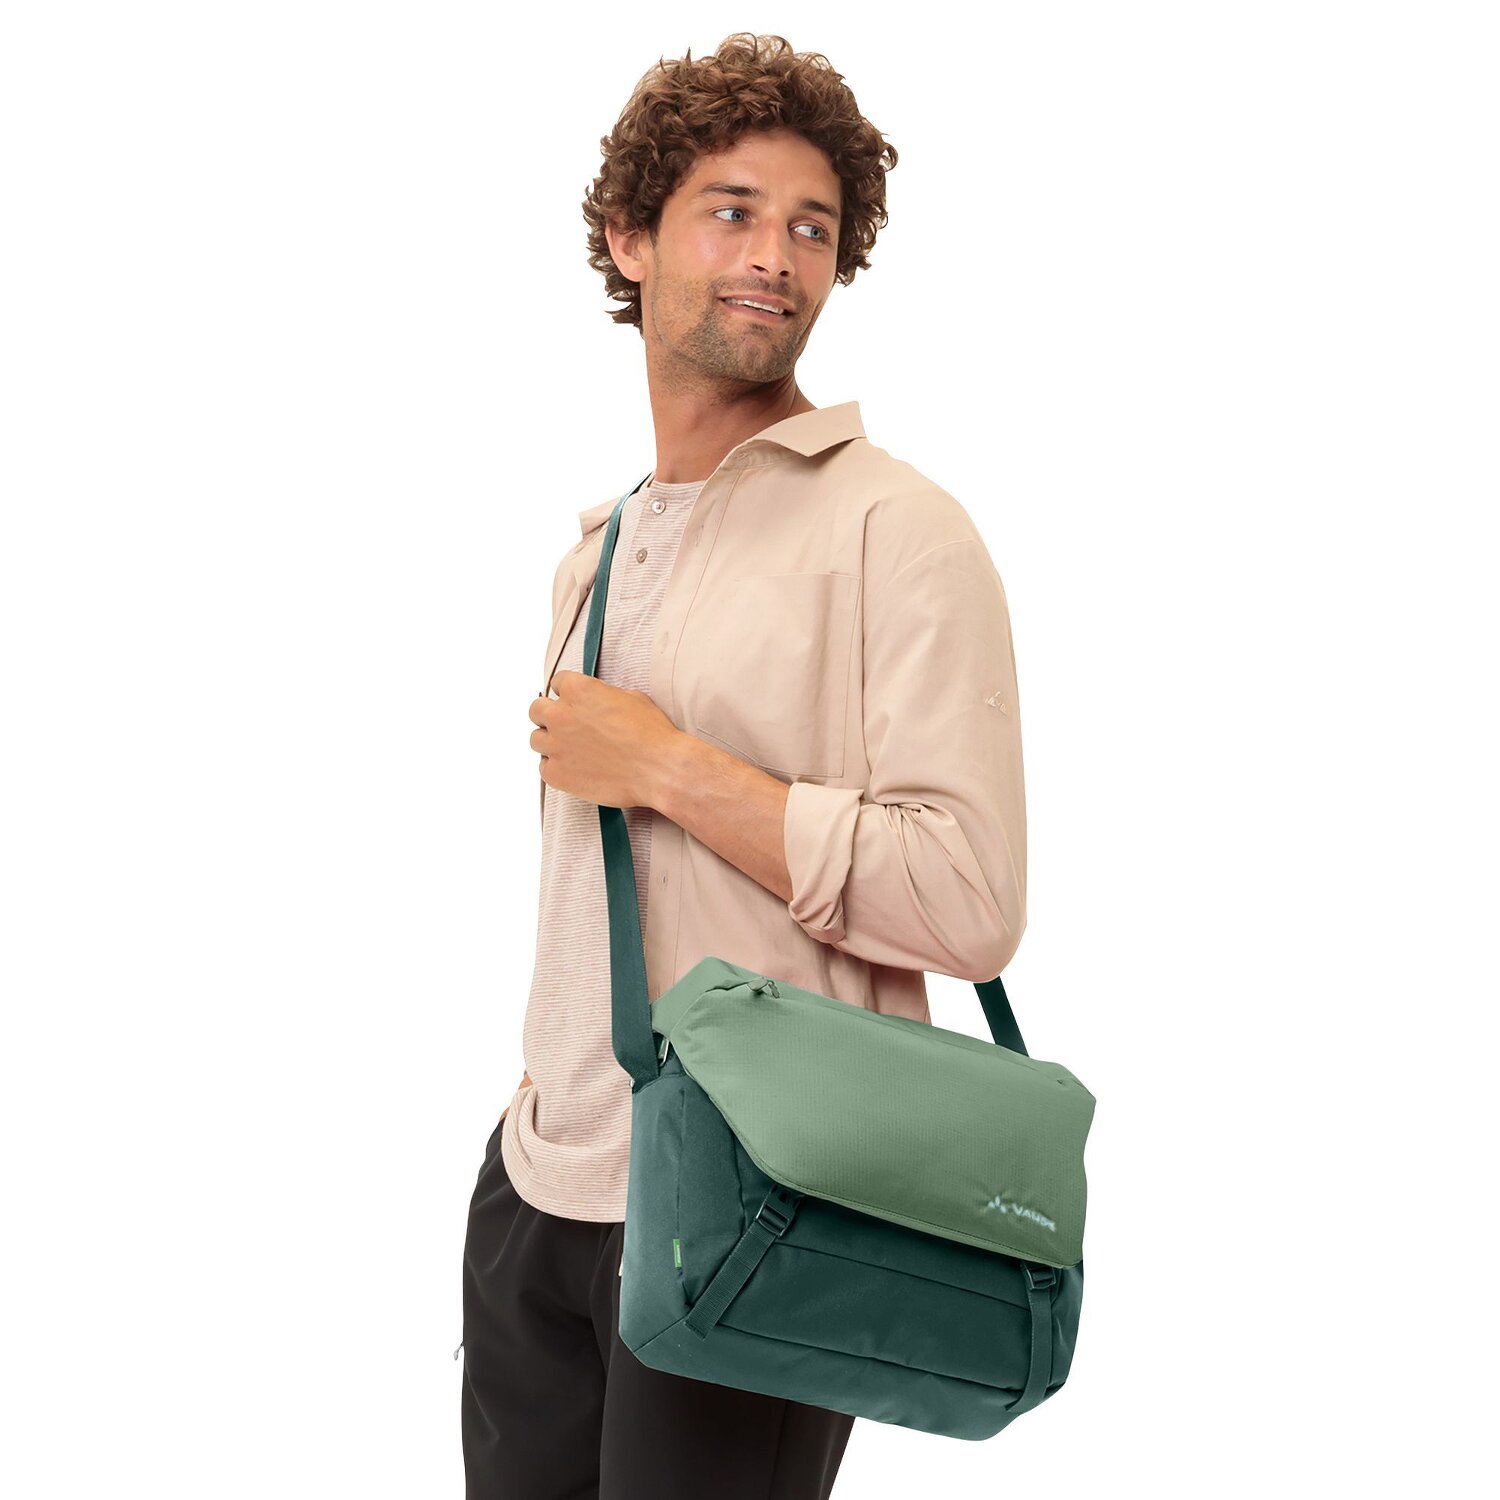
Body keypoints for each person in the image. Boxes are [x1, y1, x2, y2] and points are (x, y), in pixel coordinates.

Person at [460, 31, 1027, 1500]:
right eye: (731, 211)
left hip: (761, 1198)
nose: (775, 255)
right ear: (629, 237)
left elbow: (969, 900)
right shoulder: (596, 551)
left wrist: (667, 766)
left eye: (811, 227)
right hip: (543, 1183)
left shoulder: (895, 530)